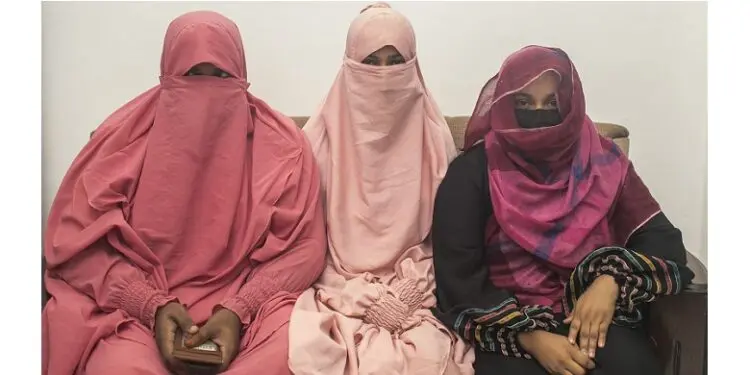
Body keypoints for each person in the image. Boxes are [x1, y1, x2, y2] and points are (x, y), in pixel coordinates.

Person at [42, 11, 326, 375]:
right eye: (192, 75)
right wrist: (149, 304)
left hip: (249, 304)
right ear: (167, 76)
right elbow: (77, 245)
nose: (206, 91)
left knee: (291, 352)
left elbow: (304, 248)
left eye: (221, 76)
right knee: (117, 367)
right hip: (134, 313)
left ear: (241, 76)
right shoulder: (119, 141)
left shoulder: (286, 146)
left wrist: (239, 310)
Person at [430, 45, 695, 375]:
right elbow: (458, 273)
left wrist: (609, 283)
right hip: (506, 319)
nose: (539, 115)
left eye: (551, 104)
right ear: (506, 105)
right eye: (524, 104)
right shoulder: (473, 171)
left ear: (570, 104)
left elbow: (660, 239)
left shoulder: (605, 161)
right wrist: (531, 337)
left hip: (592, 312)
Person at [288, 3, 474, 375]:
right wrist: (358, 295)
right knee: (317, 350)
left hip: (416, 286)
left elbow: (446, 240)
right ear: (350, 65)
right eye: (372, 61)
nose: (386, 74)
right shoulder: (315, 141)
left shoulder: (435, 138)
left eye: (396, 61)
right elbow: (304, 240)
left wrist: (409, 290)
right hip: (336, 284)